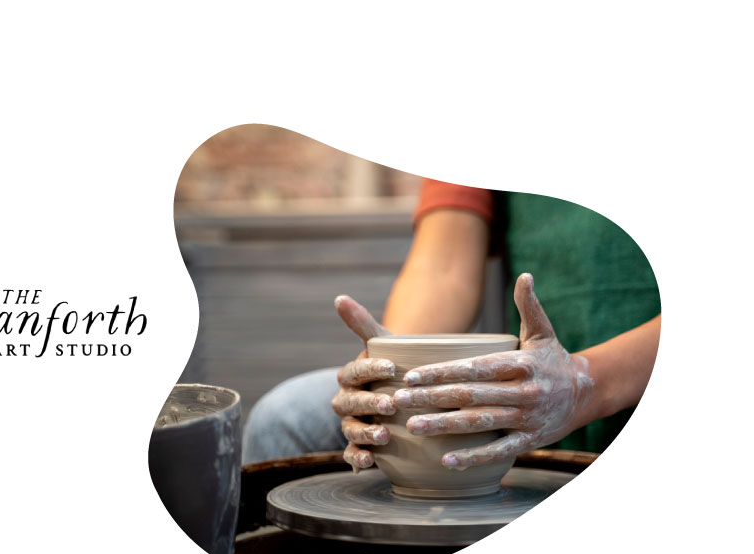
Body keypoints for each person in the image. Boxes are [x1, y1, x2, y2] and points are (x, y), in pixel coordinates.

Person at [242, 179, 661, 469]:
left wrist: (586, 385)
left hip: (635, 374)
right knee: (286, 417)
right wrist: (397, 375)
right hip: (526, 388)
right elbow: (443, 267)